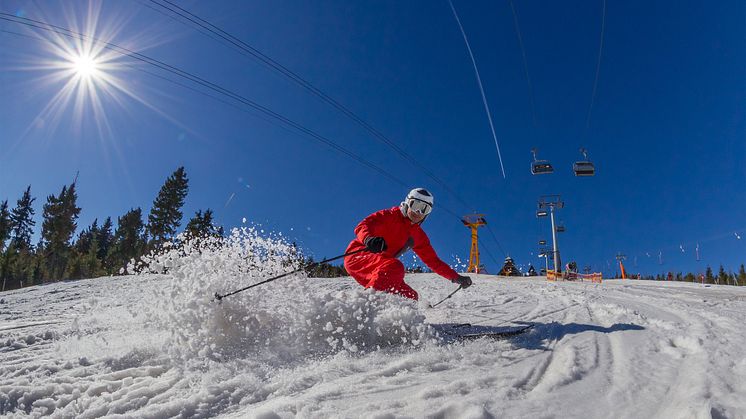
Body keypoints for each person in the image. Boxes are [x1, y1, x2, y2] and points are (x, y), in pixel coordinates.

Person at [344, 188, 472, 300]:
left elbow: (433, 261)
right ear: (407, 203)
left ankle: (388, 323)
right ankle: (367, 307)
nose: (418, 212)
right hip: (358, 256)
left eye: (424, 209)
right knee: (395, 267)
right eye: (416, 205)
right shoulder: (390, 215)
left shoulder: (418, 235)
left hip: (381, 266)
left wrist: (456, 277)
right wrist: (369, 240)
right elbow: (363, 225)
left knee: (410, 297)